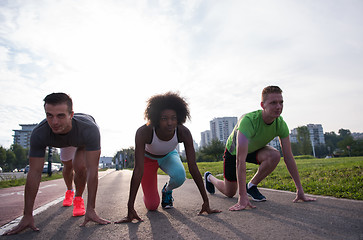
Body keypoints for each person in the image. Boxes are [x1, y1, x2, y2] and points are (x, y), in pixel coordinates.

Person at [3, 93, 110, 235]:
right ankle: (69, 191)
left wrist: (91, 209)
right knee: (67, 166)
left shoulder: (89, 129)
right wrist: (27, 214)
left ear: (71, 114)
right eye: (49, 116)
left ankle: (78, 199)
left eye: (60, 115)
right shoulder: (39, 133)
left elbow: (92, 170)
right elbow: (34, 173)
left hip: (81, 140)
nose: (54, 122)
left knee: (80, 166)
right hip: (62, 142)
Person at [204, 86, 316, 211]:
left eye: (281, 102)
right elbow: (240, 160)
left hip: (255, 150)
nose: (278, 106)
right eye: (273, 103)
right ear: (263, 105)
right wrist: (242, 197)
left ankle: (251, 186)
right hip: (234, 152)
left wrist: (300, 189)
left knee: (275, 155)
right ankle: (209, 177)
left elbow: (289, 157)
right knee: (229, 192)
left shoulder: (281, 124)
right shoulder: (248, 122)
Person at [116, 92, 220, 223]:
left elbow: (193, 167)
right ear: (156, 119)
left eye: (173, 118)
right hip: (148, 159)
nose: (170, 123)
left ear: (179, 118)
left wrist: (206, 202)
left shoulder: (183, 132)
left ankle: (167, 190)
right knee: (152, 206)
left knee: (180, 176)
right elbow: (138, 170)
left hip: (169, 156)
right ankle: (149, 193)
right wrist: (129, 208)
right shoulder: (144, 132)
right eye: (164, 118)